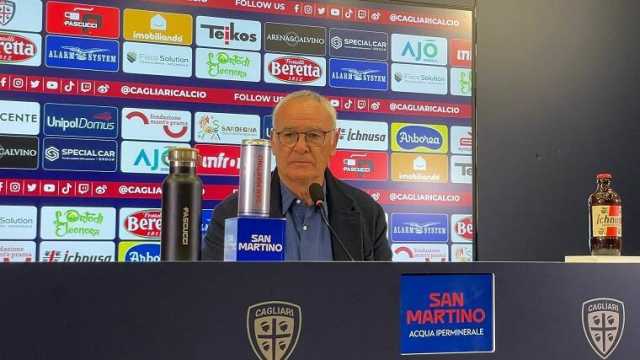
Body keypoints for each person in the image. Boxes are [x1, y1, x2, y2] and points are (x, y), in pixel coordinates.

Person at [202, 90, 391, 261]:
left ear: (334, 141)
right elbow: (217, 292)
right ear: (274, 141)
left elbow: (382, 291)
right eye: (289, 135)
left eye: (314, 135)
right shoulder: (231, 214)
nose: (301, 147)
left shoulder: (366, 213)